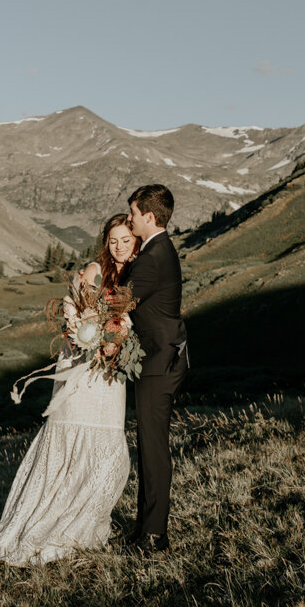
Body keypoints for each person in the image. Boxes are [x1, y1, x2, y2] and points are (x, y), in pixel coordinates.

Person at [0, 214, 140, 567]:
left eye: (125, 240)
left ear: (134, 242)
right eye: (113, 240)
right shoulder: (94, 271)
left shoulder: (133, 277)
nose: (118, 246)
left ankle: (84, 522)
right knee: (70, 436)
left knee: (106, 445)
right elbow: (70, 311)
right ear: (106, 243)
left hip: (110, 372)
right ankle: (46, 523)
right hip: (81, 366)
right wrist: (88, 334)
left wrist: (117, 341)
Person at [121, 183, 189, 553]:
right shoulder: (156, 250)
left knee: (153, 449)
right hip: (162, 357)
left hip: (158, 361)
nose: (130, 219)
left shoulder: (153, 256)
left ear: (149, 216)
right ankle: (144, 529)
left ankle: (154, 536)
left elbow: (121, 303)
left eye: (133, 213)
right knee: (149, 447)